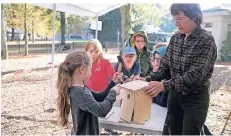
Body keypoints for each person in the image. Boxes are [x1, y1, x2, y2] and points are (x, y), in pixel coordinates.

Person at [142, 4, 216, 135]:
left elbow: (194, 77)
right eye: (174, 19)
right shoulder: (176, 38)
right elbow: (164, 67)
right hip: (175, 96)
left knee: (190, 132)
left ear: (194, 17)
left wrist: (164, 85)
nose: (176, 23)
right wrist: (147, 78)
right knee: (173, 131)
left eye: (180, 19)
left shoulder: (206, 40)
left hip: (195, 99)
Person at [56, 50, 122, 135]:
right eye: (90, 69)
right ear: (82, 69)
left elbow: (98, 97)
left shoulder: (81, 88)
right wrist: (113, 93)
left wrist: (112, 82)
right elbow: (101, 111)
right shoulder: (78, 93)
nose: (91, 73)